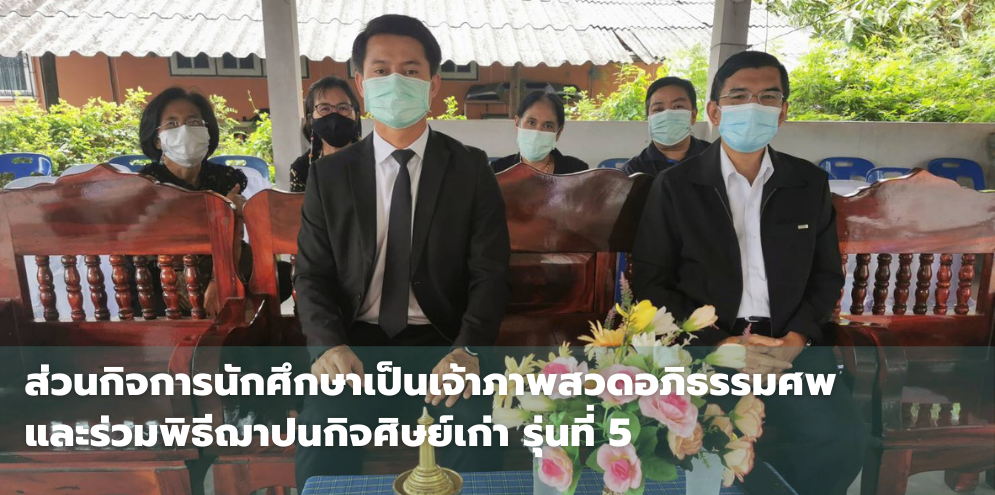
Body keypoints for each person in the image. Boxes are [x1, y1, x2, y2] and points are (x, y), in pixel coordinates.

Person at [631, 51, 866, 495]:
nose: (753, 106)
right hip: (707, 349)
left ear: (783, 111)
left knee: (839, 440)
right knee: (700, 443)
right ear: (715, 111)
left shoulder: (807, 183)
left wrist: (796, 341)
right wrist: (719, 343)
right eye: (739, 96)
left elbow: (826, 276)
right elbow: (651, 280)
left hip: (788, 348)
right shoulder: (676, 186)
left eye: (768, 97)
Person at [294, 14, 510, 486]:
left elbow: (490, 273)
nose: (396, 81)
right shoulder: (329, 176)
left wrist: (467, 349)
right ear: (361, 84)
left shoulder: (470, 169)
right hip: (356, 344)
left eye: (411, 70)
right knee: (322, 431)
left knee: (477, 430)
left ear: (433, 85)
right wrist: (328, 345)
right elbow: (311, 274)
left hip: (443, 343)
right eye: (381, 69)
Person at [137, 87, 249, 316]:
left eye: (194, 122)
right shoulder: (145, 185)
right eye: (172, 124)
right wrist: (222, 214)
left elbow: (235, 238)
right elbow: (162, 251)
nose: (185, 130)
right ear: (157, 140)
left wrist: (218, 280)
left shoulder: (226, 179)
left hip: (222, 268)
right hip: (163, 280)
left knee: (273, 272)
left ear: (207, 131)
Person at [622, 77, 710, 176]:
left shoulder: (715, 157)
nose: (668, 114)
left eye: (678, 107)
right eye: (658, 109)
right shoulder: (633, 171)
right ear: (649, 119)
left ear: (693, 115)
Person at [289, 76, 363, 192]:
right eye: (324, 109)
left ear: (356, 116)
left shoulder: (374, 159)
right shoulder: (302, 168)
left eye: (343, 108)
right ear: (310, 119)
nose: (334, 115)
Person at [490, 91, 588, 174]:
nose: (537, 132)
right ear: (517, 123)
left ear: (558, 133)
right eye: (531, 122)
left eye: (548, 126)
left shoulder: (577, 171)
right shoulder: (498, 170)